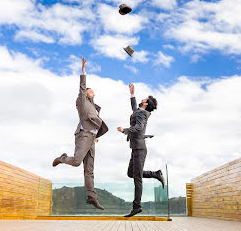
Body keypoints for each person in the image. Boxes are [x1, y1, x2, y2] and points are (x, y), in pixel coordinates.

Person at [52, 56, 108, 210]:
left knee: (89, 171)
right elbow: (82, 88)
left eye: (93, 92)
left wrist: (95, 137)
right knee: (76, 162)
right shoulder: (82, 103)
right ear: (85, 94)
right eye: (91, 91)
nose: (93, 93)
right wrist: (83, 70)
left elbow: (95, 124)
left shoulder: (94, 108)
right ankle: (63, 158)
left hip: (91, 138)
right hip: (83, 136)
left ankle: (92, 197)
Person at [117, 83, 164, 217]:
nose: (142, 99)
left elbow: (138, 126)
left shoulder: (143, 114)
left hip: (139, 148)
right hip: (136, 148)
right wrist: (132, 94)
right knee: (130, 173)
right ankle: (155, 174)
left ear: (146, 104)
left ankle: (136, 207)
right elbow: (134, 109)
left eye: (144, 99)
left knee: (137, 178)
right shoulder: (140, 111)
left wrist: (125, 130)